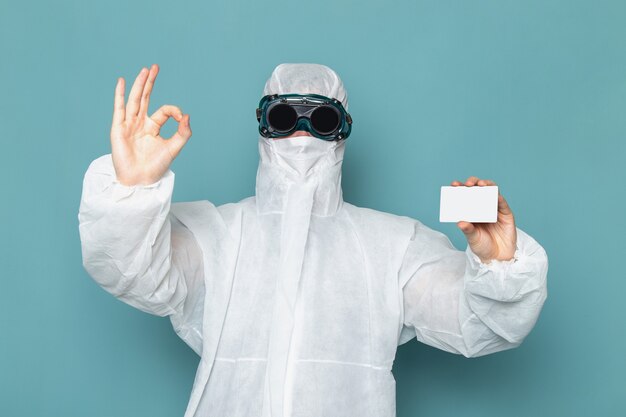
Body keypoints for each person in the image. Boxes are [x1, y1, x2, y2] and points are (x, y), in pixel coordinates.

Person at [78, 63, 548, 417]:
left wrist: (498, 265)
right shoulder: (217, 237)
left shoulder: (392, 245)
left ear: (341, 132)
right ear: (263, 127)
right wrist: (131, 191)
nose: (301, 134)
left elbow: (476, 325)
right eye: (284, 115)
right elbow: (134, 272)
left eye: (321, 120)